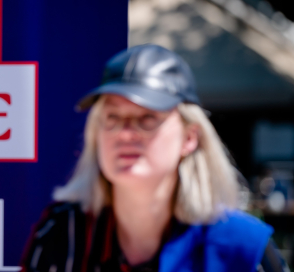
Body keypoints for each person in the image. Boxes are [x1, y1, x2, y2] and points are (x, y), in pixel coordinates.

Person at [21, 44, 289, 272]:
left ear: (189, 138)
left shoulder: (243, 246)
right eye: (112, 118)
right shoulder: (63, 234)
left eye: (147, 118)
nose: (125, 134)